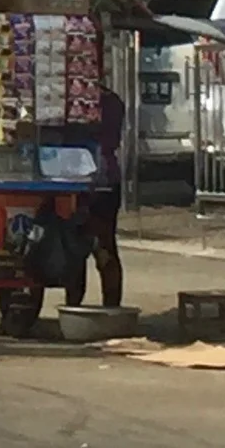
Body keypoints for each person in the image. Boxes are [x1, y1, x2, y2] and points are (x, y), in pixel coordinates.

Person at [75, 83, 127, 308]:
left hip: (100, 181)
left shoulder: (107, 101)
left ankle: (109, 307)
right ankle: (77, 306)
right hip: (92, 179)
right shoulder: (111, 99)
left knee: (101, 246)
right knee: (80, 249)